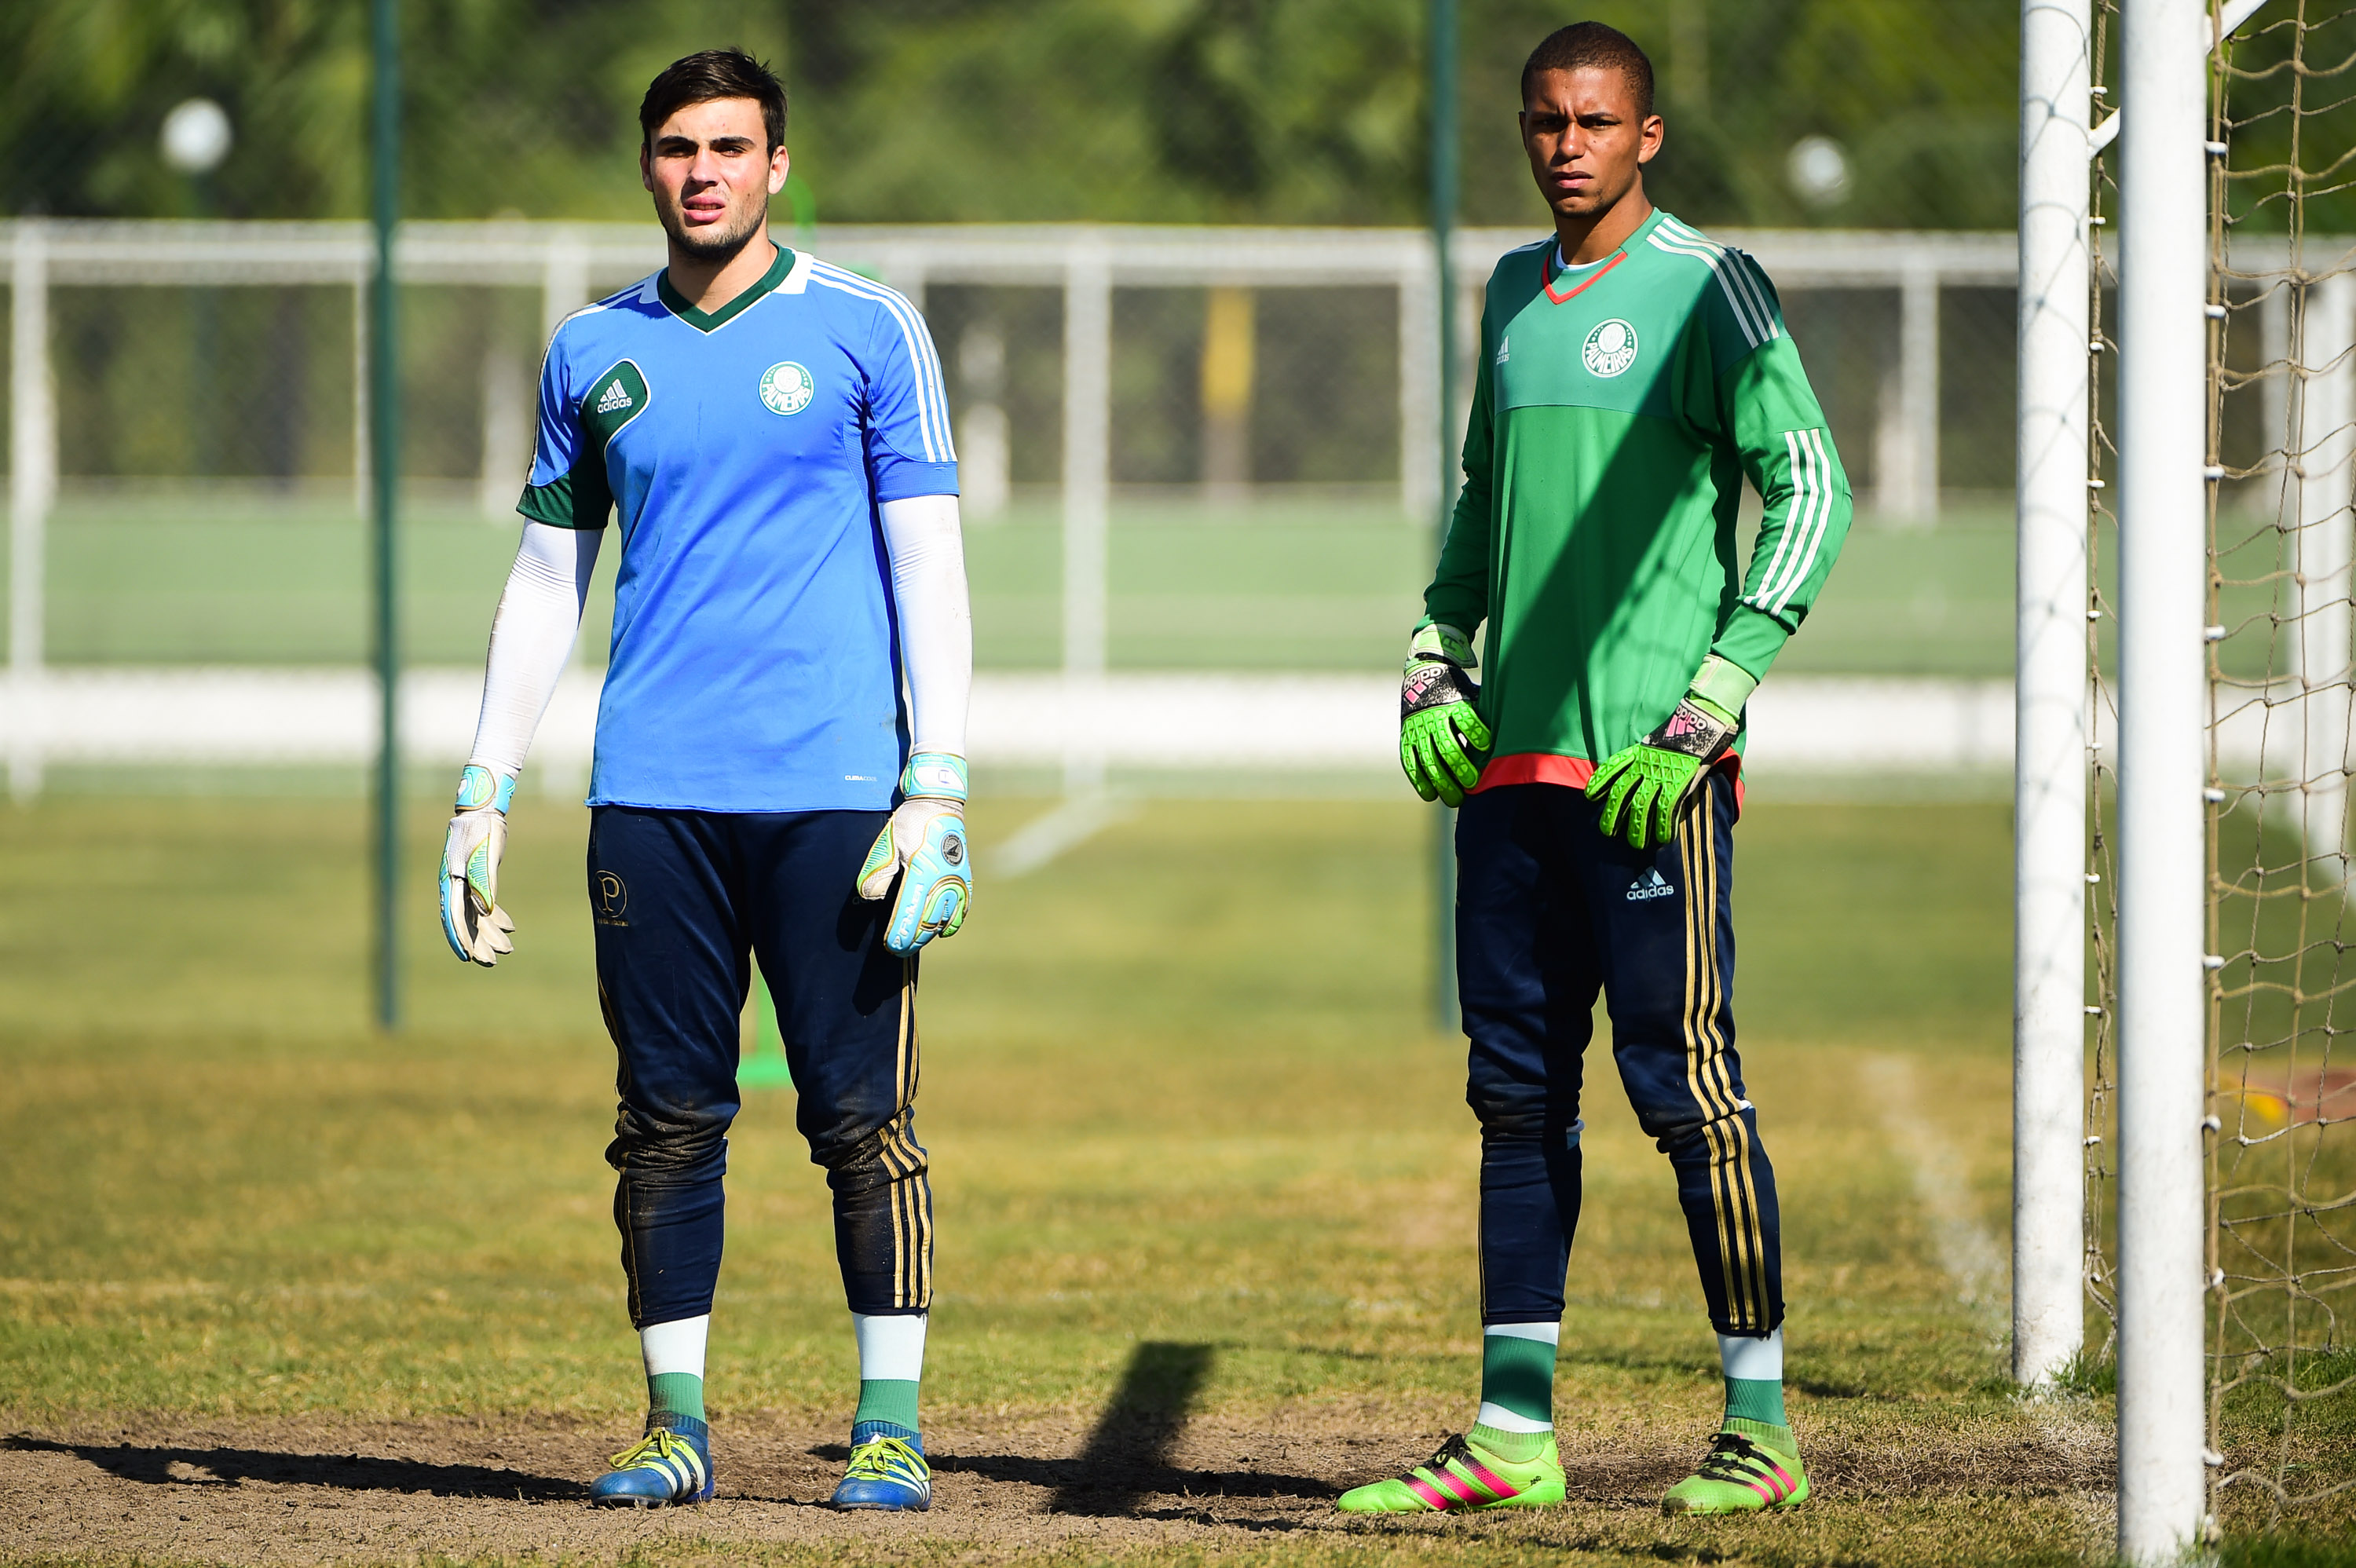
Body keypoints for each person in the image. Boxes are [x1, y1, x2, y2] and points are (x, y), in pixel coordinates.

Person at [437, 47, 971, 1515]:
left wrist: (939, 783)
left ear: (777, 164)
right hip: (654, 798)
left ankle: (888, 1424)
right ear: (649, 164)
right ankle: (674, 1423)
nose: (704, 172)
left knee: (863, 1116)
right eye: (679, 148)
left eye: (731, 147)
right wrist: (485, 786)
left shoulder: (870, 332)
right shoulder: (589, 353)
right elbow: (548, 580)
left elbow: (930, 561)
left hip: (839, 794)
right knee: (665, 1114)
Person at [1348, 21, 1851, 1518]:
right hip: (1512, 772)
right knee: (1515, 1098)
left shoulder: (1713, 287)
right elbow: (1479, 502)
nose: (1568, 144)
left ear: (1648, 136)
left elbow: (1809, 484)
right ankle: (1512, 1433)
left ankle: (1759, 1430)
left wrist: (1716, 695)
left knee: (1685, 1086)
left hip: (1650, 772)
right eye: (1546, 122)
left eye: (1596, 121)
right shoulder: (1508, 291)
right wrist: (1439, 650)